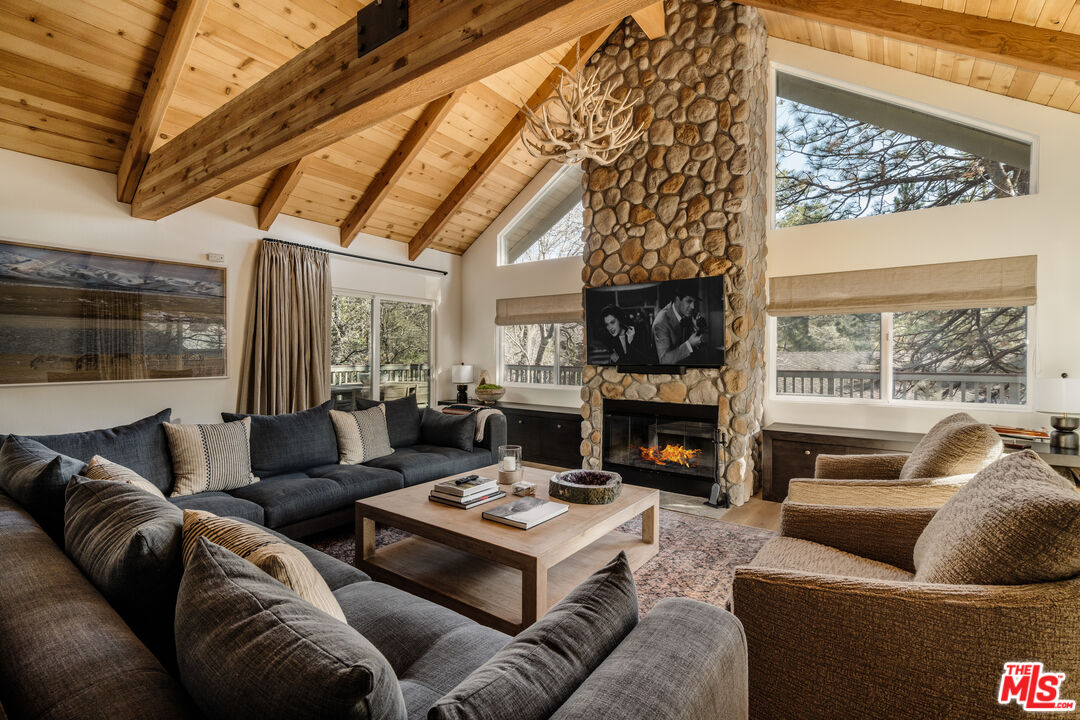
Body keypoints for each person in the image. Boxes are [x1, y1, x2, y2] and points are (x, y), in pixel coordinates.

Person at [652, 291, 704, 364]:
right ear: (677, 299)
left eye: (694, 302)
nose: (693, 307)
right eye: (689, 301)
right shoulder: (661, 323)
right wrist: (689, 344)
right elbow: (664, 361)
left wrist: (696, 329)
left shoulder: (685, 314)